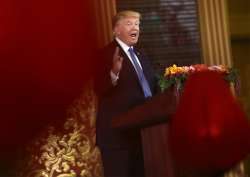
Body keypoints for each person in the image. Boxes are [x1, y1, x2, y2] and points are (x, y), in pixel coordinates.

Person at [94, 10, 157, 177]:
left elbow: (153, 87)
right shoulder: (105, 54)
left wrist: (179, 79)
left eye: (137, 24)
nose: (135, 27)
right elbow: (99, 88)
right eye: (129, 23)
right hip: (116, 139)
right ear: (116, 30)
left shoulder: (141, 55)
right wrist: (114, 73)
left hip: (142, 136)